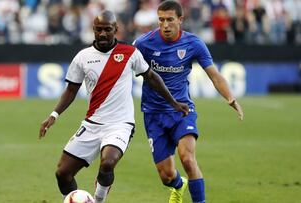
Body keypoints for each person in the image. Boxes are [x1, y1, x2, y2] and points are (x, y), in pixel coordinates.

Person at [39, 10, 189, 203]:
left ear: (116, 29)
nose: (102, 34)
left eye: (107, 30)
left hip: (120, 124)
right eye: (98, 30)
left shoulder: (130, 54)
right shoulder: (83, 57)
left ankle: (98, 200)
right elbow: (71, 90)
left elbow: (151, 76)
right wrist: (54, 115)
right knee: (62, 173)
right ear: (93, 29)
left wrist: (173, 102)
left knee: (108, 162)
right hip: (92, 123)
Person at [133, 1, 244, 203]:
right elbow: (125, 69)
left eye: (170, 20)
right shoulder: (143, 44)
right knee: (167, 176)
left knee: (187, 158)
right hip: (153, 113)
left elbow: (214, 75)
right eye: (161, 20)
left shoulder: (193, 44)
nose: (165, 25)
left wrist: (230, 97)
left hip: (182, 110)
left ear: (180, 20)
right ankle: (178, 185)